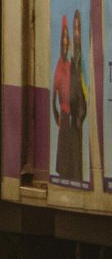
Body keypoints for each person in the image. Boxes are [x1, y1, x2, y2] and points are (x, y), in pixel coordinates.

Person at [52, 15, 74, 180]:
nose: (65, 40)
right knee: (65, 148)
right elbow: (53, 96)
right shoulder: (59, 65)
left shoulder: (70, 64)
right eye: (63, 37)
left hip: (72, 113)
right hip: (65, 114)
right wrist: (56, 115)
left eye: (67, 37)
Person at [71, 10, 88, 180]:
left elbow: (85, 87)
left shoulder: (82, 58)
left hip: (81, 114)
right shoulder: (72, 57)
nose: (76, 33)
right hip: (72, 115)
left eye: (79, 28)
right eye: (74, 28)